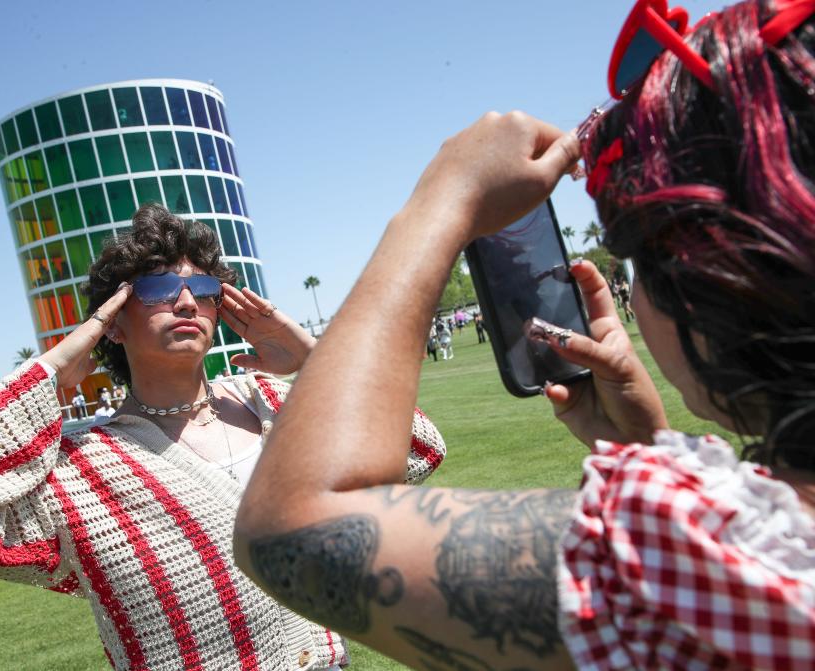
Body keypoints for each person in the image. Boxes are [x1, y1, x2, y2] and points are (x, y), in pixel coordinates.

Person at [233, 2, 815, 669]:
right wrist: (644, 448)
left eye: (639, 252)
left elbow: (292, 527)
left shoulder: (719, 565)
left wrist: (443, 201)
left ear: (716, 276)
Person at [0, 203, 445, 671]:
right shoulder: (77, 468)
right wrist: (55, 373)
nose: (186, 302)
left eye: (203, 288)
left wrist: (317, 362)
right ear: (113, 321)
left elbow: (419, 447)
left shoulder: (277, 403)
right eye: (157, 288)